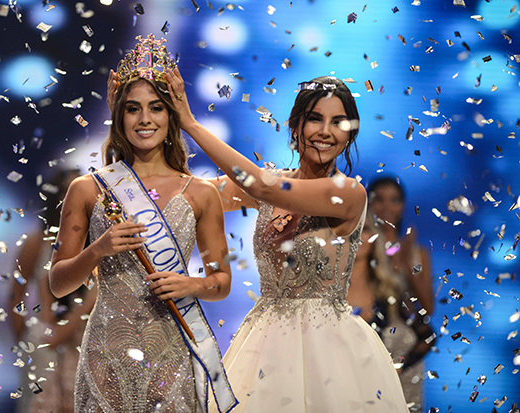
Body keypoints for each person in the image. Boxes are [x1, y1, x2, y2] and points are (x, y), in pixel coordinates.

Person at [165, 69, 409, 412]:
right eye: (314, 119)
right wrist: (147, 130)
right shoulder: (270, 183)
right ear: (295, 126)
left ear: (350, 134)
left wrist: (190, 123)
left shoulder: (348, 193)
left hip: (330, 352)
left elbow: (262, 186)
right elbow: (190, 193)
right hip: (265, 344)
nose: (325, 132)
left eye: (338, 122)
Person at [49, 35, 236, 413]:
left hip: (172, 355)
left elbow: (221, 283)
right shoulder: (88, 189)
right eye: (133, 109)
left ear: (171, 115)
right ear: (119, 116)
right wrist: (98, 249)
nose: (145, 119)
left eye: (156, 108)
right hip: (106, 354)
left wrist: (192, 284)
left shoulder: (200, 192)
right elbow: (58, 284)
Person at [10, 169, 96, 413]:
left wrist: (68, 325)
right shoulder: (37, 242)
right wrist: (24, 339)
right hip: (44, 337)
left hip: (85, 341)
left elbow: (97, 295)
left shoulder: (98, 242)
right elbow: (16, 295)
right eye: (67, 193)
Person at [348, 177, 435, 412]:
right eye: (379, 200)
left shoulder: (415, 252)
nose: (387, 207)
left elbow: (428, 310)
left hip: (400, 341)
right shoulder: (357, 245)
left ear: (404, 205)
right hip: (368, 335)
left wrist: (407, 266)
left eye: (394, 200)